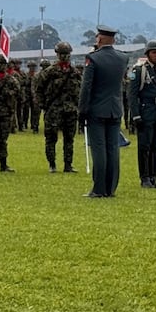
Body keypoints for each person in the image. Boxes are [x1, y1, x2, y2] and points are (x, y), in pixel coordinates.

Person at [79, 25, 129, 197]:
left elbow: (86, 88)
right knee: (112, 149)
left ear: (99, 38)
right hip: (115, 109)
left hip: (96, 110)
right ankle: (110, 188)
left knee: (99, 149)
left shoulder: (93, 59)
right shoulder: (123, 58)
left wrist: (82, 110)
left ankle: (99, 188)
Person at [128, 39, 156, 188]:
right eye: (154, 52)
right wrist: (135, 115)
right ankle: (145, 177)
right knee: (144, 147)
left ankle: (154, 176)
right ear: (148, 54)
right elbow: (132, 95)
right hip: (146, 112)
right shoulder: (139, 71)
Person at [35, 41, 81, 172]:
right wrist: (43, 105)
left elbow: (80, 89)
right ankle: (52, 164)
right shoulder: (49, 72)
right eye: (62, 54)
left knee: (69, 139)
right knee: (51, 138)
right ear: (57, 55)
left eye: (67, 54)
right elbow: (38, 90)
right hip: (53, 110)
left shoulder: (75, 72)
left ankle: (68, 165)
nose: (65, 57)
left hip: (70, 109)